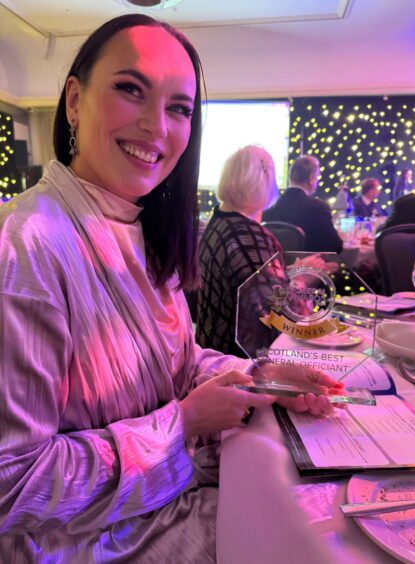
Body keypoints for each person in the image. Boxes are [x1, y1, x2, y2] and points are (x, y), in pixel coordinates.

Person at [0, 14, 343, 563]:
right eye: (130, 89)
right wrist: (180, 424)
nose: (157, 127)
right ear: (73, 101)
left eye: (179, 108)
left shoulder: (139, 230)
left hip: (164, 498)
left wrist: (261, 377)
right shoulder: (25, 247)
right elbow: (13, 486)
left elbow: (175, 366)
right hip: (81, 542)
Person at [196, 145, 282, 356]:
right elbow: (278, 317)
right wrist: (303, 279)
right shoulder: (249, 236)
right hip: (240, 362)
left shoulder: (217, 222)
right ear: (266, 182)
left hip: (210, 349)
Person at [263, 155, 343, 253]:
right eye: (317, 177)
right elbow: (335, 247)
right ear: (312, 178)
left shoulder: (269, 206)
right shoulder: (318, 208)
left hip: (276, 266)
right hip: (309, 267)